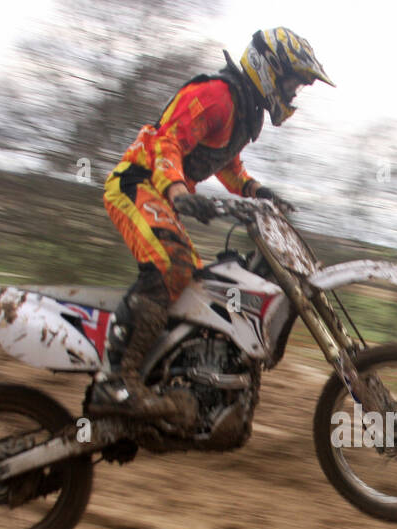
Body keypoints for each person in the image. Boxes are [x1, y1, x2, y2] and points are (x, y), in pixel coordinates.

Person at [91, 27, 334, 418]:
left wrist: (257, 191)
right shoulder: (217, 95)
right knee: (172, 265)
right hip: (136, 182)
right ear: (269, 68)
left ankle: (166, 371)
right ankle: (114, 379)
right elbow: (168, 140)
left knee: (204, 283)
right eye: (292, 82)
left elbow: (226, 163)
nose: (293, 93)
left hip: (161, 191)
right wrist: (178, 191)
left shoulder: (243, 109)